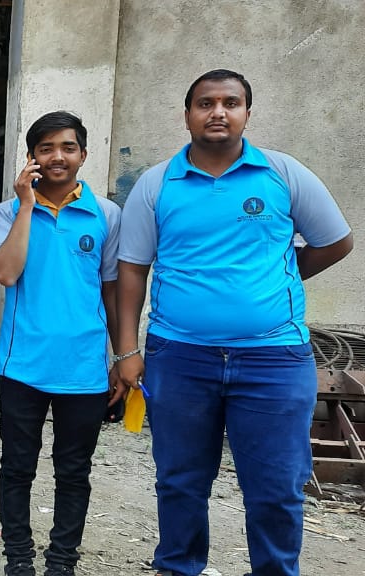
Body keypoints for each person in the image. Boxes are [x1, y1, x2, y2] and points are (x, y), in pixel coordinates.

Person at [114, 69, 353, 576]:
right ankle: (179, 567)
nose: (218, 112)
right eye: (205, 103)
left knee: (277, 485)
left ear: (247, 112)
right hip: (180, 356)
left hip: (274, 358)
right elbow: (132, 268)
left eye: (230, 102)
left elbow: (336, 241)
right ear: (186, 115)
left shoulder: (284, 174)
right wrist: (127, 350)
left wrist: (275, 281)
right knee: (180, 481)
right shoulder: (156, 184)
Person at [0, 111, 121, 576]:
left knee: (74, 471)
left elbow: (112, 290)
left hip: (83, 368)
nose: (57, 157)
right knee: (16, 467)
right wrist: (26, 206)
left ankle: (62, 563)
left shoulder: (106, 214)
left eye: (67, 147)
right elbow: (6, 273)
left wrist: (122, 356)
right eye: (45, 149)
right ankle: (18, 560)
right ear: (31, 157)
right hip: (21, 364)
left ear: (83, 154)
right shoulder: (7, 212)